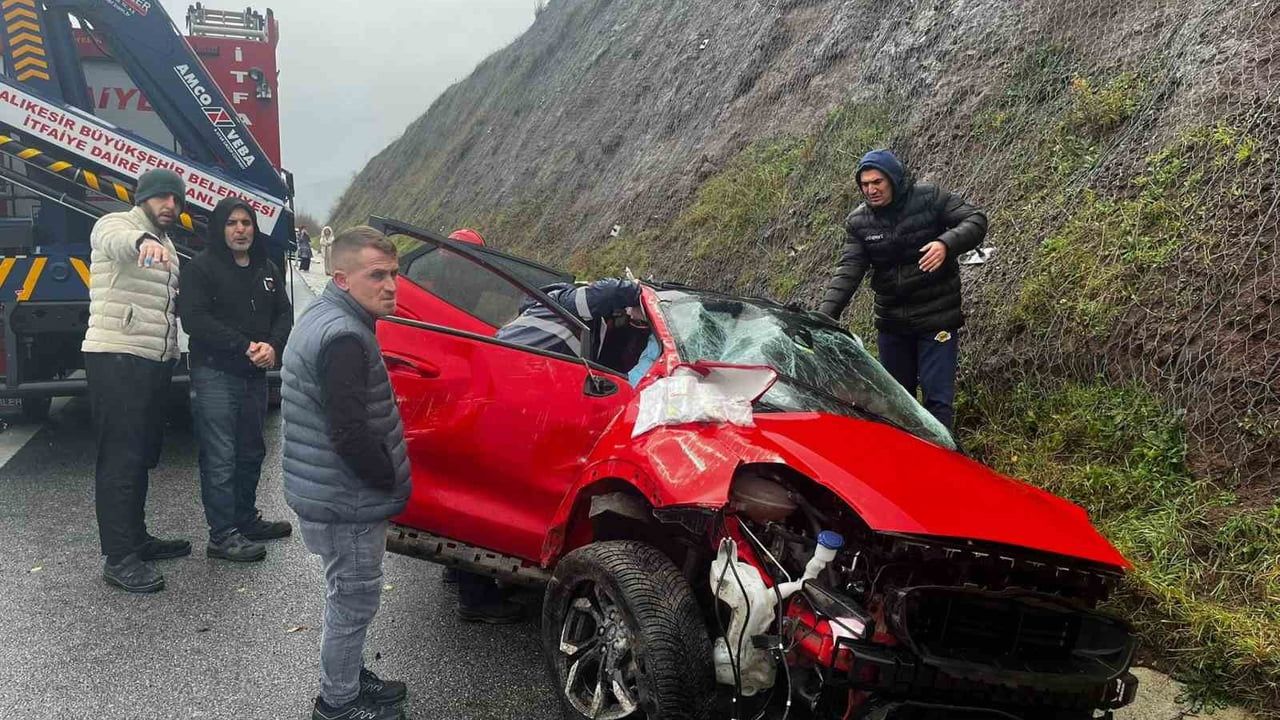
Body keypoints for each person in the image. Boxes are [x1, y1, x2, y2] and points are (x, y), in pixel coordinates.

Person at [449, 277, 647, 623]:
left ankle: (462, 570)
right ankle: (476, 598)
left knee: (481, 490)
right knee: (492, 492)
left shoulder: (556, 320)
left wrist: (634, 324)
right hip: (505, 396)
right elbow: (611, 292)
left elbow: (610, 370)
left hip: (498, 391)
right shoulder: (565, 303)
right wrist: (641, 292)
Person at [282, 226, 410, 720]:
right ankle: (338, 702)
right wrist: (385, 478)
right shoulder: (343, 337)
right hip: (346, 497)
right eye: (376, 275)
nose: (391, 286)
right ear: (340, 278)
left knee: (346, 594)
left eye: (394, 274)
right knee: (353, 600)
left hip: (328, 490)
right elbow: (350, 433)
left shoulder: (328, 316)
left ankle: (348, 675)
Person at [817, 149, 987, 431]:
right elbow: (848, 271)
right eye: (865, 184)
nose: (871, 190)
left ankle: (943, 464)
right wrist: (824, 316)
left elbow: (975, 220)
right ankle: (908, 466)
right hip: (893, 324)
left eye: (877, 182)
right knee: (897, 403)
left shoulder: (930, 198)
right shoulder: (859, 222)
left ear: (894, 180)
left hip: (937, 319)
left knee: (937, 401)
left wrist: (946, 244)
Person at [83, 168, 190, 593]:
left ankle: (136, 537)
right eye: (162, 197)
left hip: (152, 359)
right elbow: (110, 239)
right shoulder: (121, 225)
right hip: (117, 357)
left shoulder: (169, 244)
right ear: (143, 198)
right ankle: (119, 557)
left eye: (175, 199)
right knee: (120, 457)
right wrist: (141, 241)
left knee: (141, 452)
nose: (170, 205)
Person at [178, 197, 293, 564]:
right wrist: (245, 346)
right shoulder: (202, 268)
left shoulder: (267, 268)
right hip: (215, 374)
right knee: (221, 456)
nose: (241, 229)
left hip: (254, 376)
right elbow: (194, 320)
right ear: (219, 228)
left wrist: (273, 345)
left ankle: (246, 520)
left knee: (251, 451)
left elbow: (284, 314)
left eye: (246, 223)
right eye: (232, 223)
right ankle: (222, 535)